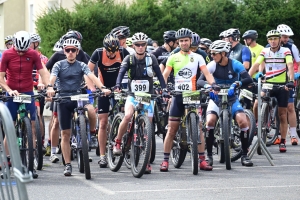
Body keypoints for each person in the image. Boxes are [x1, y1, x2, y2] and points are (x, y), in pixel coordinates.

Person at [48, 38, 111, 176]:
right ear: (64, 51)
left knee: (91, 110)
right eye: (67, 50)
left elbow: (92, 77)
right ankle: (68, 164)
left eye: (73, 50)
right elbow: (52, 78)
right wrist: (49, 87)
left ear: (77, 52)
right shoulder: (58, 64)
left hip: (78, 97)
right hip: (63, 98)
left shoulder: (82, 65)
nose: (70, 53)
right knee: (65, 134)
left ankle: (91, 135)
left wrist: (103, 87)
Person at [160, 28, 216, 172]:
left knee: (198, 128)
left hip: (192, 93)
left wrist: (213, 84)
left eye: (186, 40)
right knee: (172, 129)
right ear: (178, 42)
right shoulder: (173, 57)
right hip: (178, 95)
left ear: (190, 41)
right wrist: (163, 88)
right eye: (181, 41)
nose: (184, 43)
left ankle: (202, 160)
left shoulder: (198, 57)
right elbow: (166, 74)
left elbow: (206, 73)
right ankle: (165, 160)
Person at [0, 30, 52, 178]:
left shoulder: (34, 54)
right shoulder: (7, 54)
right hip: (12, 92)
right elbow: (1, 77)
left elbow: (43, 73)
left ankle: (31, 163)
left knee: (33, 128)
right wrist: (9, 90)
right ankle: (5, 162)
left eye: (24, 51)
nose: (21, 53)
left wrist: (48, 86)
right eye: (19, 51)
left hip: (28, 92)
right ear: (14, 45)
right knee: (9, 128)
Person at [113, 32, 167, 174]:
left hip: (148, 96)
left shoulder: (152, 59)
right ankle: (118, 142)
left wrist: (164, 89)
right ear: (133, 46)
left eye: (143, 45)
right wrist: (118, 85)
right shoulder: (129, 59)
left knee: (148, 126)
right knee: (128, 115)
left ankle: (147, 162)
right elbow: (121, 72)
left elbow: (160, 76)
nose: (141, 47)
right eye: (138, 45)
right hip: (132, 95)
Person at [198, 40, 254, 167]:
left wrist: (237, 84)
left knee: (243, 121)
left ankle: (244, 155)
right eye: (211, 53)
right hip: (216, 98)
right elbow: (200, 81)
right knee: (210, 121)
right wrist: (208, 87)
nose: (212, 56)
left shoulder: (235, 64)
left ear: (223, 53)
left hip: (232, 97)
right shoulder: (212, 64)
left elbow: (248, 78)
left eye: (215, 53)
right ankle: (209, 155)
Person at [88, 33, 129, 168]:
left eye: (114, 52)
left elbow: (133, 67)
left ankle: (123, 143)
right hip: (103, 88)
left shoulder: (123, 51)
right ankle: (102, 156)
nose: (111, 55)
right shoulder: (98, 53)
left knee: (125, 115)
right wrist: (94, 89)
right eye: (109, 52)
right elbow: (87, 73)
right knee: (104, 122)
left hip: (118, 88)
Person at [249, 30, 294, 153]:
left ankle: (283, 141)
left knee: (282, 114)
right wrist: (247, 79)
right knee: (257, 103)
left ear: (279, 40)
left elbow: (290, 65)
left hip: (282, 86)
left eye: (275, 39)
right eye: (270, 39)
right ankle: (256, 124)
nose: (273, 41)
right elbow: (255, 65)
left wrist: (291, 80)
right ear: (268, 41)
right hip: (267, 84)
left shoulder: (286, 51)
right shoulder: (265, 51)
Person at [276, 24, 300, 145]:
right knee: (275, 107)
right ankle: (276, 134)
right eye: (284, 37)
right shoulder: (269, 47)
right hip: (274, 79)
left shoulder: (292, 47)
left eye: (287, 37)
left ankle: (294, 135)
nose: (286, 39)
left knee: (290, 107)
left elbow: (298, 63)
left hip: (288, 79)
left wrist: (297, 74)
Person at [29, 33, 49, 152]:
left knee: (38, 114)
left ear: (36, 44)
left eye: (31, 42)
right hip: (26, 87)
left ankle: (40, 141)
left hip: (38, 88)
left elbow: (44, 72)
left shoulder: (43, 58)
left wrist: (43, 84)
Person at [242, 30, 264, 120]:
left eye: (246, 39)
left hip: (256, 77)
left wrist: (259, 72)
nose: (244, 41)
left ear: (251, 39)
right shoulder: (246, 49)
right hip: (247, 78)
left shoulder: (261, 48)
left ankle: (257, 121)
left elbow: (262, 63)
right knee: (245, 101)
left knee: (257, 101)